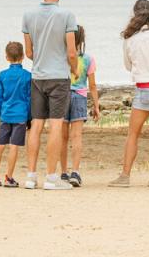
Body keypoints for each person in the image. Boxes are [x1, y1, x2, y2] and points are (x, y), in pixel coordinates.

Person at [108, 0, 149, 188]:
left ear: (135, 15)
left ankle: (125, 176)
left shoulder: (131, 39)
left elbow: (128, 65)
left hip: (145, 88)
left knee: (133, 134)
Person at [22, 0, 78, 191]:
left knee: (36, 125)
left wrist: (41, 60)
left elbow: (28, 52)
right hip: (58, 77)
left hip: (38, 76)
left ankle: (30, 176)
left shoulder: (28, 15)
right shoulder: (67, 15)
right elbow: (71, 52)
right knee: (56, 124)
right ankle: (52, 177)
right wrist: (73, 70)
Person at [60, 24, 100, 187]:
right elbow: (92, 86)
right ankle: (75, 172)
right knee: (76, 137)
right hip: (80, 97)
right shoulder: (88, 59)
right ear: (82, 39)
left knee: (62, 138)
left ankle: (63, 172)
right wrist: (96, 105)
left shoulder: (61, 56)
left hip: (61, 96)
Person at [0, 41, 31, 188]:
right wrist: (29, 117)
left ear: (6, 57)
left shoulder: (2, 75)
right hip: (20, 115)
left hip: (5, 114)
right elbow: (29, 98)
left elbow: (0, 97)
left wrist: (1, 115)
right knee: (14, 146)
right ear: (23, 56)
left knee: (0, 145)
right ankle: (9, 177)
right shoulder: (27, 76)